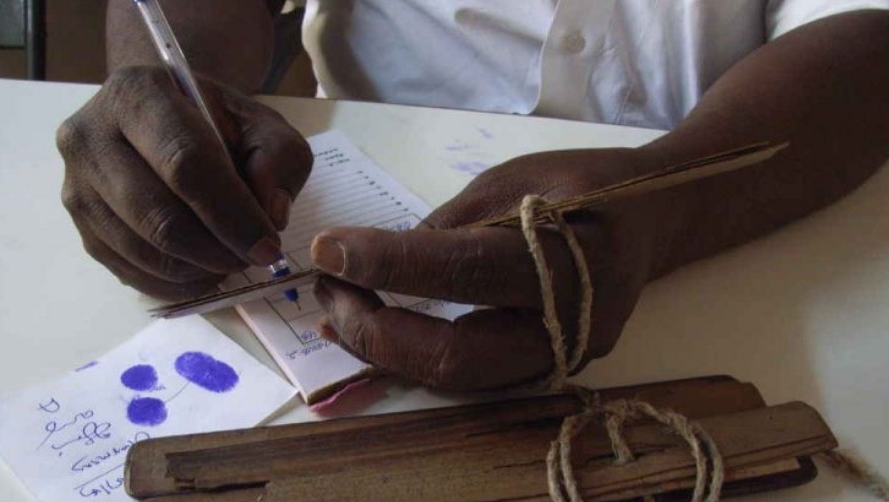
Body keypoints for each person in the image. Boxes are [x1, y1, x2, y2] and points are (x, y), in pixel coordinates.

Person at [56, 1, 888, 390]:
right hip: (357, 187)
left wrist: (673, 201)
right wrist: (174, 91)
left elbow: (869, 32)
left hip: (744, 221)